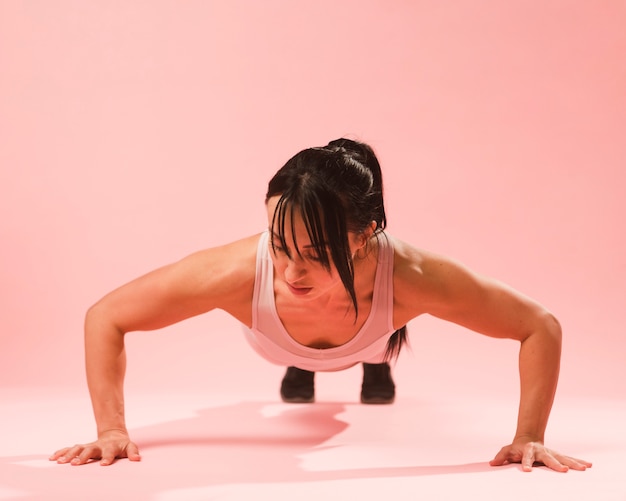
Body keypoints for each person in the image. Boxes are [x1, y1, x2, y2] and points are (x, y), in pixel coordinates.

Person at [50, 138, 591, 472]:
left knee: (377, 348)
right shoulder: (236, 273)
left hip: (373, 333)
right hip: (274, 340)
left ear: (365, 235)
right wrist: (111, 430)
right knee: (298, 357)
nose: (290, 273)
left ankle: (376, 359)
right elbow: (107, 315)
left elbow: (539, 326)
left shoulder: (413, 278)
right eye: (279, 245)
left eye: (314, 254)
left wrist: (529, 437)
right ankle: (303, 360)